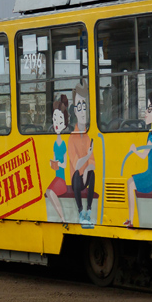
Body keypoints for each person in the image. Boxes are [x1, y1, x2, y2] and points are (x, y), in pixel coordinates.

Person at [124, 90, 152, 229]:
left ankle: (131, 220)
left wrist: (134, 150)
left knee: (130, 183)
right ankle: (130, 219)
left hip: (150, 178)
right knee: (130, 181)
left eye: (149, 110)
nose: (145, 113)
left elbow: (143, 155)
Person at [67, 83, 96, 227]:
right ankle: (80, 211)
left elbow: (93, 161)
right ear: (75, 111)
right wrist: (85, 168)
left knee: (93, 174)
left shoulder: (87, 137)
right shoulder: (72, 137)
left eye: (85, 107)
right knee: (78, 176)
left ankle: (89, 210)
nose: (83, 111)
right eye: (79, 107)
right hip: (76, 179)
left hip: (85, 175)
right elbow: (76, 163)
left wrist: (88, 169)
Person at [46, 95, 70, 222]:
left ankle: (62, 218)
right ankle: (61, 217)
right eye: (55, 119)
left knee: (50, 192)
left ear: (64, 123)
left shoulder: (63, 144)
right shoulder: (55, 143)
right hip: (57, 177)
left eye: (60, 120)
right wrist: (53, 164)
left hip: (62, 180)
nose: (56, 123)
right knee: (49, 192)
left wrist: (57, 164)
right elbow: (55, 159)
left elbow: (65, 164)